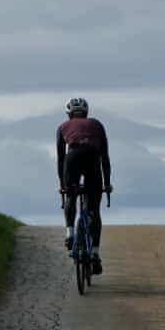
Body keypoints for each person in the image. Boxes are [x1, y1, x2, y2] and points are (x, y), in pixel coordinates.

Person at [57, 97, 112, 274]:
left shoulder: (62, 127)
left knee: (71, 196)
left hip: (72, 158)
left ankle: (70, 234)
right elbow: (105, 157)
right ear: (86, 113)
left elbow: (61, 159)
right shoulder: (97, 124)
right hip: (93, 159)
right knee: (94, 210)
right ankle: (95, 253)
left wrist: (63, 185)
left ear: (69, 114)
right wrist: (107, 183)